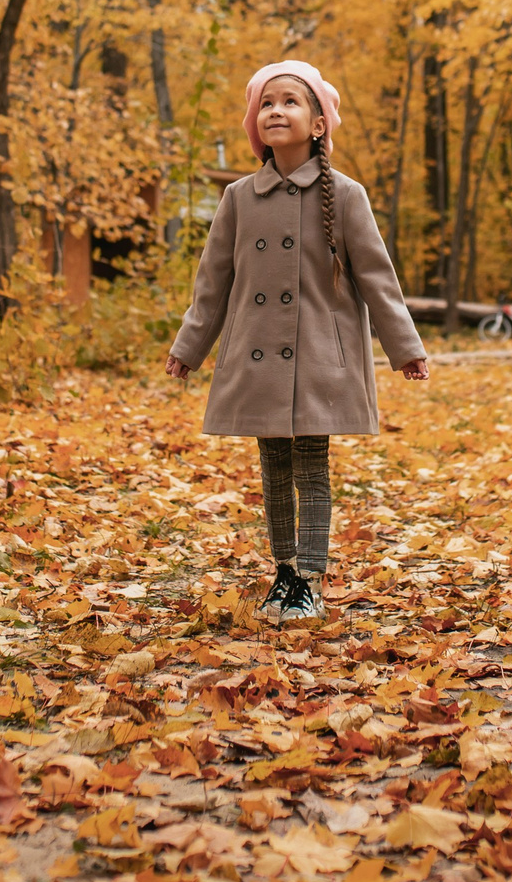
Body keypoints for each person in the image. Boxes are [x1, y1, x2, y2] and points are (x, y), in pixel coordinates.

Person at [166, 61, 429, 623]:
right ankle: (282, 572)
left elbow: (378, 278)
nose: (275, 111)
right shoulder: (238, 197)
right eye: (266, 104)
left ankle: (309, 577)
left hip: (318, 356)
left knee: (311, 466)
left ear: (317, 124)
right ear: (255, 124)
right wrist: (189, 347)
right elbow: (213, 282)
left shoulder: (346, 195)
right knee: (272, 466)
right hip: (256, 354)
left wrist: (404, 348)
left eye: (289, 101)